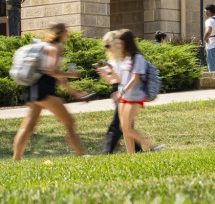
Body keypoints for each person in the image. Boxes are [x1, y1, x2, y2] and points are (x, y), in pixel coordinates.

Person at [12, 23, 89, 161]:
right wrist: (72, 74)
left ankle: (16, 160)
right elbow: (51, 72)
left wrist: (73, 91)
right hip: (45, 90)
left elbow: (57, 78)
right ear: (62, 33)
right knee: (69, 122)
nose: (68, 35)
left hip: (33, 87)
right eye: (67, 32)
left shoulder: (43, 47)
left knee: (28, 127)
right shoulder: (56, 47)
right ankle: (81, 155)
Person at [102, 28, 156, 154]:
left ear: (127, 43)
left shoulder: (138, 58)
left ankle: (150, 146)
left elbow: (134, 77)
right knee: (124, 128)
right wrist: (109, 73)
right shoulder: (124, 58)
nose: (119, 46)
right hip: (124, 95)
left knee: (127, 128)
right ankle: (131, 154)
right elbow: (120, 78)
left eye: (121, 43)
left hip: (135, 96)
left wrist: (122, 91)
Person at [95, 31, 142, 155]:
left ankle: (106, 152)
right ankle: (139, 150)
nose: (107, 48)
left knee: (116, 126)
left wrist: (112, 75)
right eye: (105, 46)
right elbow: (113, 80)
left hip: (125, 92)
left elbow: (125, 79)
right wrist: (105, 75)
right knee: (126, 125)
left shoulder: (124, 58)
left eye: (108, 45)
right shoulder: (113, 59)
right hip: (119, 91)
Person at [203, 5, 215, 71]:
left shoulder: (209, 21)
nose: (205, 13)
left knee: (212, 68)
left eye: (205, 11)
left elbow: (208, 31)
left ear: (209, 12)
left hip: (212, 45)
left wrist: (205, 40)